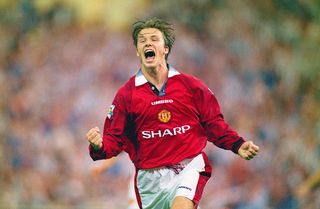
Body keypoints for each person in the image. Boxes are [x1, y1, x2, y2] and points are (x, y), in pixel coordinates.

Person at [86, 17, 259, 209]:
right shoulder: (126, 95)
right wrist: (99, 146)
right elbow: (114, 140)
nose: (148, 43)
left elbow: (213, 124)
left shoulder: (192, 87)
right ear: (137, 51)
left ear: (166, 49)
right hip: (150, 181)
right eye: (142, 40)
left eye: (154, 39)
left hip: (188, 166)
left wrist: (237, 144)